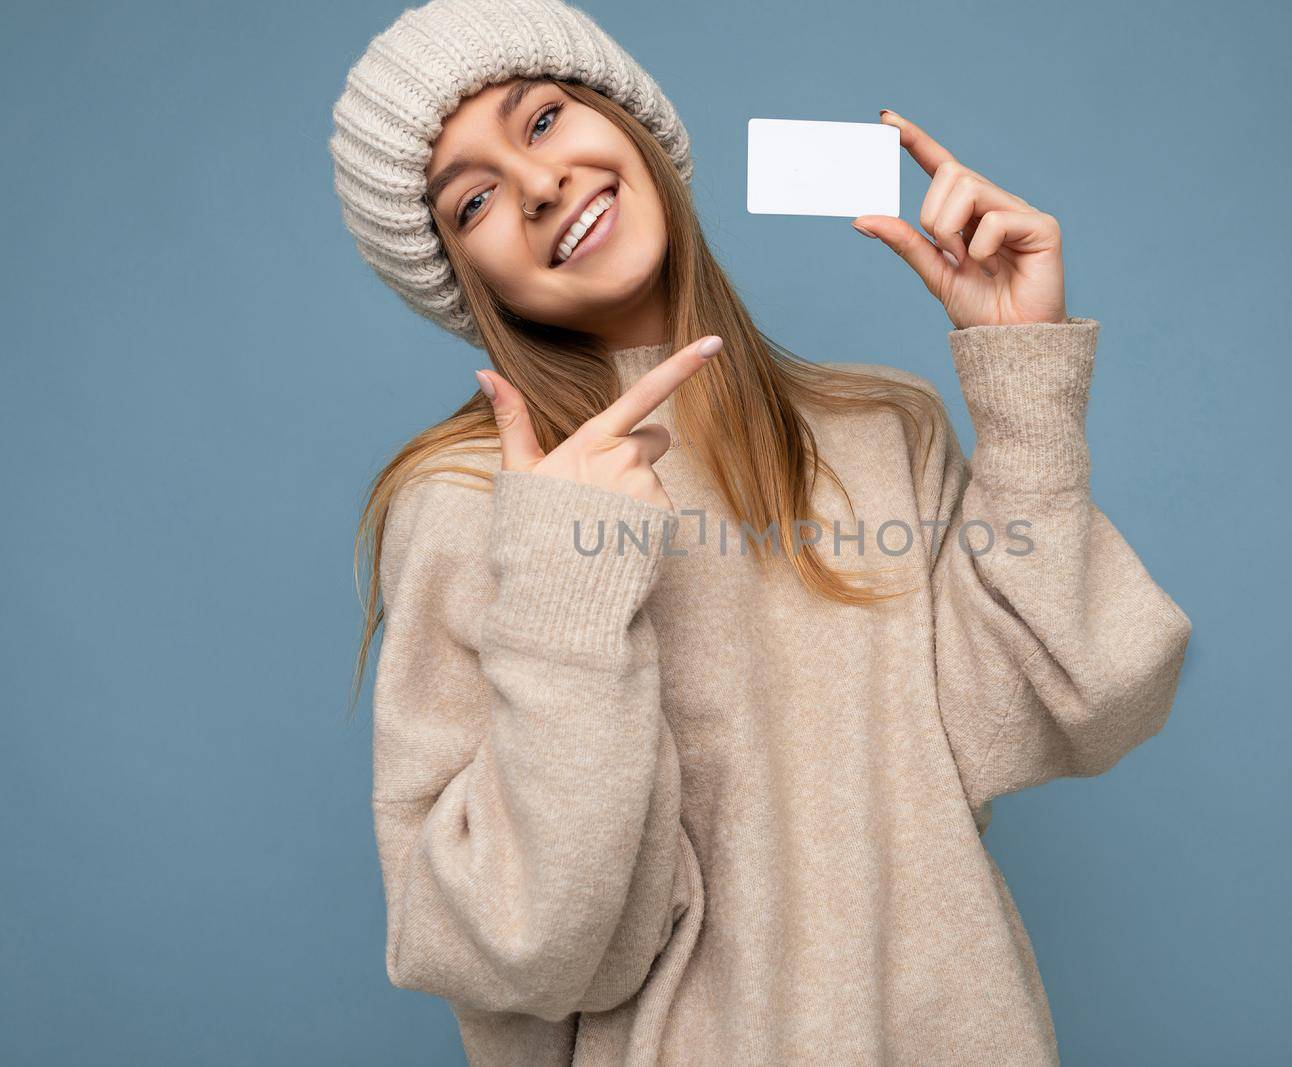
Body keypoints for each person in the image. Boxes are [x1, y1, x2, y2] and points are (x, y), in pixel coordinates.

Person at [331, 0, 1194, 1062]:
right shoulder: (470, 503)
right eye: (473, 199)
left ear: (633, 123)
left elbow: (1086, 701)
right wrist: (563, 579)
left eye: (544, 119)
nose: (539, 183)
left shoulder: (881, 429)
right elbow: (524, 948)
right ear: (465, 278)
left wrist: (1025, 394)